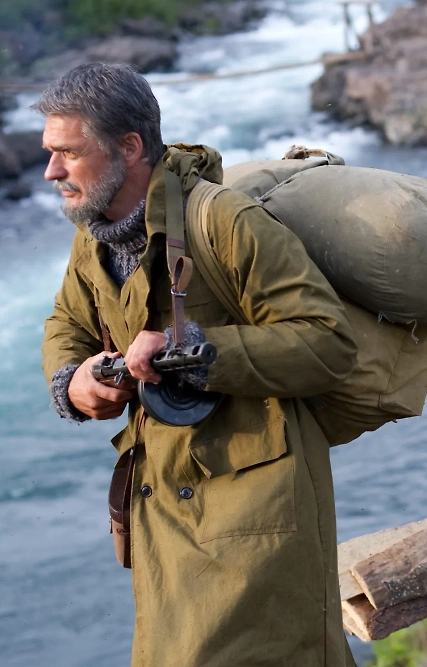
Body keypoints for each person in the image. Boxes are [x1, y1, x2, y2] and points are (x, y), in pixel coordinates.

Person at [37, 63, 359, 667]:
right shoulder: (95, 234)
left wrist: (193, 353)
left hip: (257, 514)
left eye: (67, 154)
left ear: (129, 147)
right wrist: (73, 380)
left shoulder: (225, 222)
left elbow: (330, 343)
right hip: (159, 513)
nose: (51, 171)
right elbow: (66, 326)